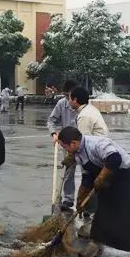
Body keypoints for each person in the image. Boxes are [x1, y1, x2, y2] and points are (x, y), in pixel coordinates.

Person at [57, 127, 130, 257]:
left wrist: (101, 176)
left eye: (65, 147)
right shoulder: (79, 154)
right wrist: (80, 200)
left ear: (74, 143)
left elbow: (114, 158)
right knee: (102, 215)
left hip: (123, 178)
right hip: (106, 182)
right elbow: (87, 177)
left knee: (126, 217)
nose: (66, 151)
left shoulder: (97, 144)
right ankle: (93, 252)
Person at [68, 86, 109, 238]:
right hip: (99, 155)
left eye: (69, 98)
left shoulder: (84, 116)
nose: (68, 101)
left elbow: (80, 143)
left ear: (75, 100)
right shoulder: (89, 110)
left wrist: (71, 157)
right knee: (90, 188)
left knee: (88, 189)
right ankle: (91, 217)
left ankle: (93, 223)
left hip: (95, 158)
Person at [48, 80, 80, 210]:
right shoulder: (61, 104)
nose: (68, 100)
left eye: (70, 96)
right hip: (68, 145)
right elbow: (52, 120)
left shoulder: (84, 107)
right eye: (66, 96)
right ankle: (68, 199)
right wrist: (54, 133)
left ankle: (88, 205)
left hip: (83, 144)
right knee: (68, 172)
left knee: (88, 172)